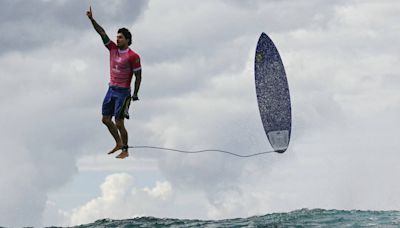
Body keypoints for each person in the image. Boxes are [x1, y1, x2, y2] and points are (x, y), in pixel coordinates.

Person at [86, 6, 142, 159]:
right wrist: (92, 20)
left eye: (120, 37)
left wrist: (135, 93)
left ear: (128, 40)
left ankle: (125, 149)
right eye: (117, 37)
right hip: (111, 89)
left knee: (119, 122)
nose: (117, 39)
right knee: (105, 119)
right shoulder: (112, 49)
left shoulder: (133, 56)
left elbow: (138, 76)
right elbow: (102, 33)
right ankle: (118, 143)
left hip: (123, 93)